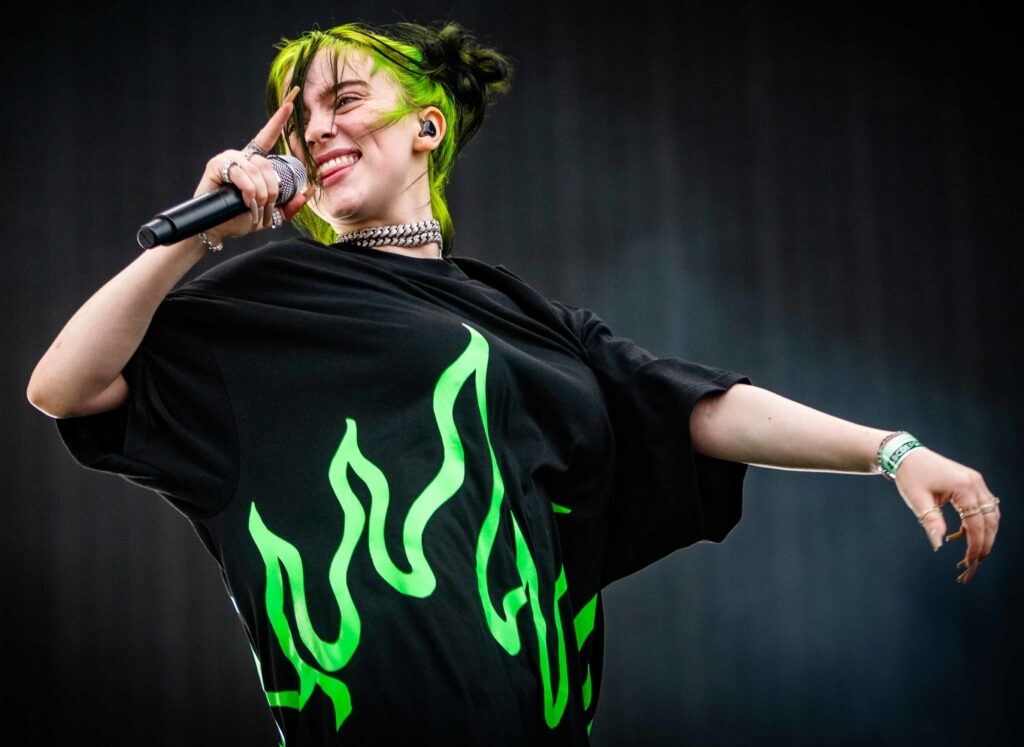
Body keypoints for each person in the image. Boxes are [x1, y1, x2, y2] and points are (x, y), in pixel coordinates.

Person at [27, 19, 1001, 747]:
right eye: (300, 116)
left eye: (345, 100)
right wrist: (194, 237)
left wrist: (891, 451)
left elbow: (694, 405)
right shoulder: (263, 301)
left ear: (428, 126)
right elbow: (65, 387)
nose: (316, 131)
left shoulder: (531, 321)